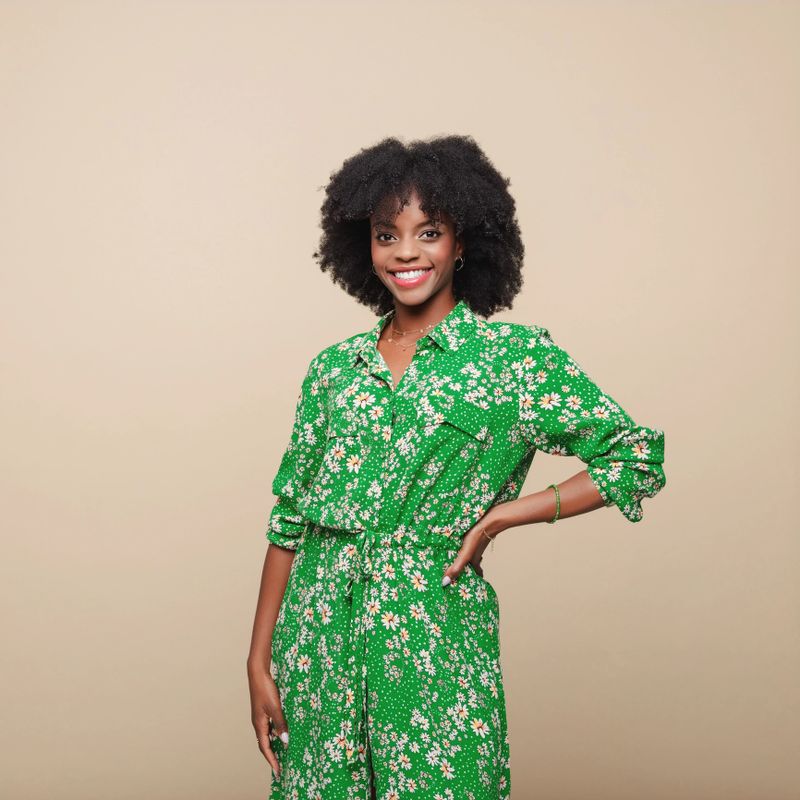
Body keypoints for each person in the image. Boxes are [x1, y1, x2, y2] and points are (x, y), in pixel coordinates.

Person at [247, 134, 666, 799]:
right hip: (318, 637)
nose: (406, 251)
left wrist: (504, 514)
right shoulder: (332, 370)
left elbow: (635, 456)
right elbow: (289, 517)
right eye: (388, 234)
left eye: (429, 231)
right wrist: (257, 659)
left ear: (464, 242)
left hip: (433, 633)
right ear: (365, 245)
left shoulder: (510, 361)